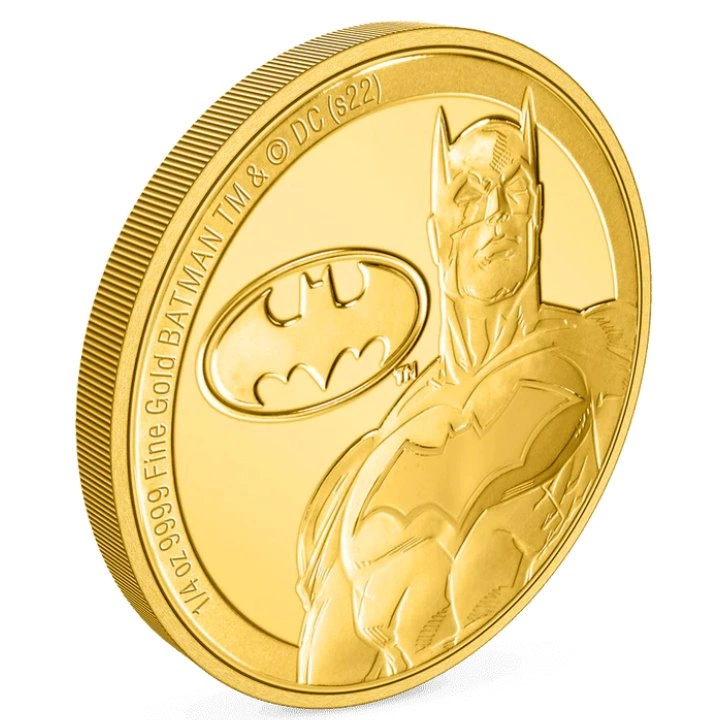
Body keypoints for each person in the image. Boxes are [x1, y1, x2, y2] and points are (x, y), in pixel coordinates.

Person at [295, 90, 632, 685]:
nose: (497, 211)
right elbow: (325, 678)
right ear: (437, 236)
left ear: (538, 212)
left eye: (515, 190)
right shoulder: (373, 459)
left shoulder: (607, 353)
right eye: (470, 196)